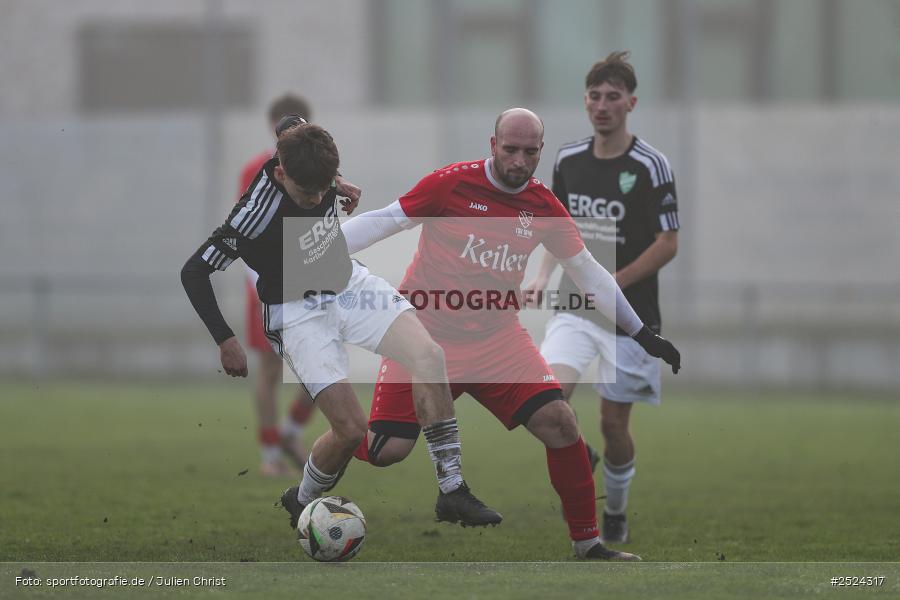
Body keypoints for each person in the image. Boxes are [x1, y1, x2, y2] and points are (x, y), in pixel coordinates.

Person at [341, 107, 681, 560]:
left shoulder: (543, 206)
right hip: (425, 335)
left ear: (541, 150)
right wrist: (313, 256)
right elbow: (384, 220)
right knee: (386, 451)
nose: (520, 161)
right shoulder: (451, 183)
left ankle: (588, 544)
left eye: (530, 151)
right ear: (492, 144)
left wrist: (642, 333)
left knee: (562, 424)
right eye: (511, 149)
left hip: (496, 340)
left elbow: (589, 274)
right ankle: (329, 452)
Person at [181, 117, 501, 533]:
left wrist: (337, 182)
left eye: (322, 188)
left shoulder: (303, 151)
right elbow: (193, 271)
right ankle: (301, 499)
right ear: (280, 173)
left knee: (429, 356)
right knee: (351, 431)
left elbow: (292, 125)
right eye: (306, 191)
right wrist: (225, 339)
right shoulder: (253, 216)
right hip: (296, 311)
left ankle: (452, 489)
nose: (316, 200)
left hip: (347, 283)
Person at [523, 52, 680, 545]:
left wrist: (613, 281)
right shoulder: (568, 159)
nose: (603, 105)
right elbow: (556, 229)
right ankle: (578, 451)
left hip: (631, 319)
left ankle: (615, 509)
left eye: (613, 97)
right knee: (546, 401)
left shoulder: (651, 166)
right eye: (595, 96)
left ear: (631, 103)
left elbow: (668, 242)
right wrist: (544, 275)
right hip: (574, 308)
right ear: (586, 102)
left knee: (615, 426)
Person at [237, 94, 316, 477]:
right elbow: (245, 231)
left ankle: (291, 431)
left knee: (327, 365)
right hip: (267, 283)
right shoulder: (256, 169)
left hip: (308, 279)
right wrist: (258, 284)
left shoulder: (319, 166)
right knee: (269, 369)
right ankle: (270, 454)